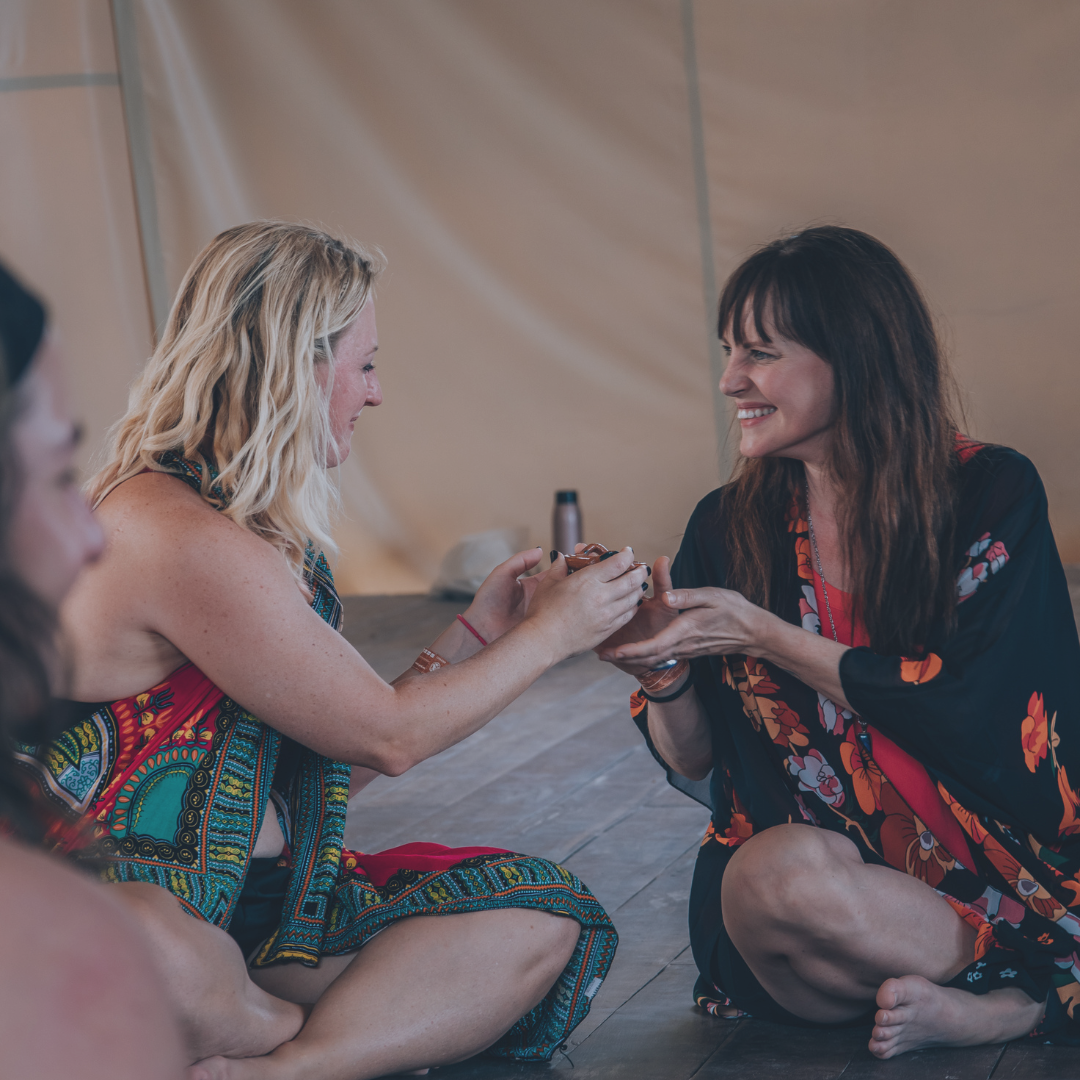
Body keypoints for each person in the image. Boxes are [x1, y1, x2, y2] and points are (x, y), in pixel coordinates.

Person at [18, 221, 647, 1078]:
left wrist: (476, 636)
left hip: (243, 913)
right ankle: (301, 1040)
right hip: (134, 912)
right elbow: (388, 736)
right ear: (296, 366)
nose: (376, 394)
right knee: (154, 949)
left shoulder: (229, 525)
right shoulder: (176, 532)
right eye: (367, 364)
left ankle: (276, 1062)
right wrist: (554, 634)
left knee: (534, 919)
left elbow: (325, 753)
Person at [598, 225, 1080, 1058]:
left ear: (855, 358)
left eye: (760, 353)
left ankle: (1018, 1004)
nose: (731, 380)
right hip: (830, 907)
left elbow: (966, 705)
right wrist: (663, 671)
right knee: (765, 881)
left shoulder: (989, 492)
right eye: (728, 352)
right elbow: (695, 759)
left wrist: (764, 633)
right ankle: (1010, 992)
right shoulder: (726, 526)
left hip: (1002, 880)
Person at [0, 261, 184, 1077]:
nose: (90, 538)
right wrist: (546, 631)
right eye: (56, 476)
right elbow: (384, 737)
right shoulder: (55, 952)